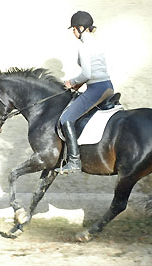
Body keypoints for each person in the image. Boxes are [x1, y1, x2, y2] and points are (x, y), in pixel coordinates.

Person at [55, 11, 114, 174]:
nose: (73, 32)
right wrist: (78, 85)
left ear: (81, 28)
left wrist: (71, 82)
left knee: (66, 118)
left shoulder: (84, 46)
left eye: (74, 29)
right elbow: (94, 72)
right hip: (107, 86)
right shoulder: (97, 43)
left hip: (97, 89)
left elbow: (87, 74)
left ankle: (74, 160)